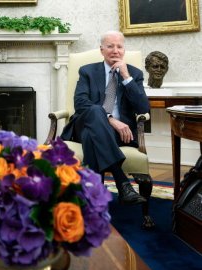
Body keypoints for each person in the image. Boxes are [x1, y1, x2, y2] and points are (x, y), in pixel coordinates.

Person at [61, 31, 149, 205]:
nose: (115, 51)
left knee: (90, 135)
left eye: (119, 46)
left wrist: (126, 77)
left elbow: (143, 108)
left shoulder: (134, 74)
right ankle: (122, 181)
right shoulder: (88, 71)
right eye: (110, 46)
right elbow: (80, 103)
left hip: (113, 134)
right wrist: (110, 119)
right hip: (85, 122)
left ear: (124, 50)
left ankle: (94, 196)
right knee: (94, 110)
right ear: (102, 50)